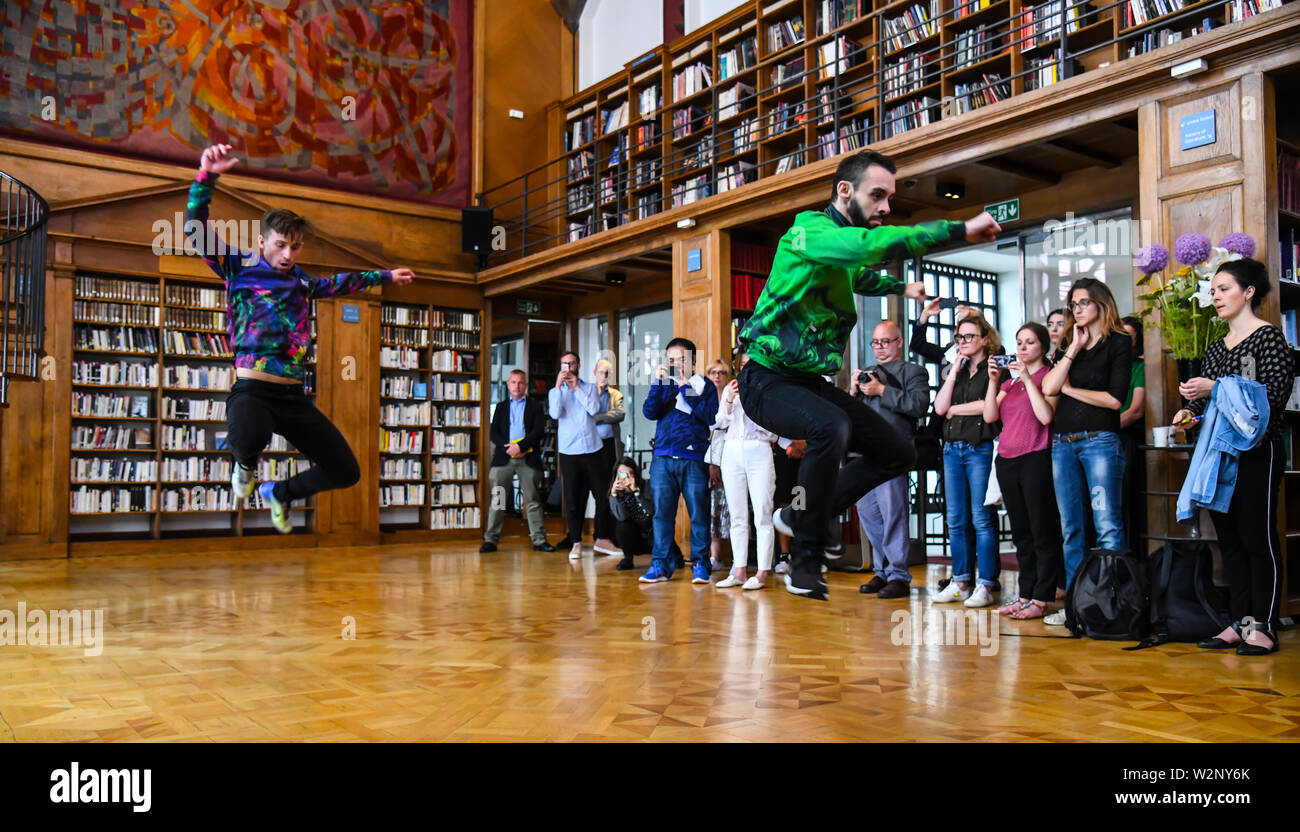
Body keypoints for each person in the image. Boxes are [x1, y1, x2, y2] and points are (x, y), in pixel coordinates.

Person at [737, 148, 1000, 600]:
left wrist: (902, 287)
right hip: (765, 378)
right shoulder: (807, 233)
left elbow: (858, 275)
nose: (885, 207)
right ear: (845, 191)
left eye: (889, 198)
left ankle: (803, 517)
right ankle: (805, 557)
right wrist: (958, 230)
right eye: (877, 195)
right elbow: (864, 249)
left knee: (898, 452)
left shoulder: (839, 255)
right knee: (831, 426)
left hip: (807, 382)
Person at [188, 144, 415, 533]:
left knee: (346, 470)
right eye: (280, 244)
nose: (288, 253)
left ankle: (281, 492)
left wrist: (386, 276)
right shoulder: (237, 268)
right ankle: (244, 466)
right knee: (249, 435)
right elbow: (196, 228)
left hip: (293, 397)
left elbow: (340, 283)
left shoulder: (302, 282)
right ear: (262, 242)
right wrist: (206, 177)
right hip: (252, 390)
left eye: (295, 246)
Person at [1175, 257, 1292, 655]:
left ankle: (1264, 625)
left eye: (1224, 288)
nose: (1216, 296)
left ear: (1248, 292)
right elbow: (1213, 410)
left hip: (1260, 452)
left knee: (1258, 538)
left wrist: (1216, 386)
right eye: (1213, 291)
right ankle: (1239, 622)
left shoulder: (1269, 338)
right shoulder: (1214, 347)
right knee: (1230, 541)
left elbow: (1271, 400)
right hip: (1220, 454)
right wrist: (1192, 415)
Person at [1041, 277, 1132, 625]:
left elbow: (1114, 400)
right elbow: (1050, 386)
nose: (1076, 310)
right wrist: (1073, 350)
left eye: (1083, 303)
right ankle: (1076, 607)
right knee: (1071, 528)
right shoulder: (1069, 342)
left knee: (1107, 523)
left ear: (1101, 304)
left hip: (1099, 441)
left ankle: (1111, 604)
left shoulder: (1118, 341)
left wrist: (1071, 389)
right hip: (1062, 444)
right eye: (1073, 304)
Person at [983, 323, 1061, 620]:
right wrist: (993, 382)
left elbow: (1045, 416)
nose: (1023, 347)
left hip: (1036, 457)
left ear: (1043, 347)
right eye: (1019, 342)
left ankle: (1042, 597)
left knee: (1042, 530)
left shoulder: (1047, 378)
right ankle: (1025, 594)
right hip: (1007, 459)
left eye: (1030, 342)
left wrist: (1029, 380)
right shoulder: (1009, 383)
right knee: (1021, 533)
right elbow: (990, 416)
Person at [851, 322, 929, 599]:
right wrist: (853, 393)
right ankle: (882, 571)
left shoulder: (914, 372)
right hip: (864, 455)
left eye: (885, 341)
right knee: (870, 515)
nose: (880, 347)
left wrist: (882, 391)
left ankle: (899, 575)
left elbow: (919, 406)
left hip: (893, 452)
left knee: (893, 513)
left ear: (899, 342)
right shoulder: (866, 375)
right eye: (875, 342)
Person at [932, 313, 1003, 607]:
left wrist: (955, 411)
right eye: (959, 337)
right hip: (951, 449)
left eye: (969, 337)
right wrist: (952, 373)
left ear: (985, 339)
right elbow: (939, 407)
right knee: (956, 519)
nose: (962, 342)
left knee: (981, 518)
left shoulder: (996, 369)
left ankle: (986, 584)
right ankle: (960, 580)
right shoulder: (955, 370)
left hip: (980, 448)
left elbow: (989, 406)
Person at [639, 337, 720, 584]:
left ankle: (700, 565)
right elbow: (649, 412)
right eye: (671, 360)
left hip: (694, 457)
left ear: (693, 360)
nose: (676, 364)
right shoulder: (664, 384)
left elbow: (710, 417)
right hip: (663, 457)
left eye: (681, 359)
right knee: (662, 515)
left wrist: (686, 388)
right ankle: (660, 566)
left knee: (699, 514)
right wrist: (657, 383)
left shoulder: (704, 385)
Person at [715, 351, 780, 590]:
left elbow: (774, 425)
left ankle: (763, 571)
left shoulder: (768, 390)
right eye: (742, 365)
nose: (746, 369)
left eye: (750, 365)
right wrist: (730, 399)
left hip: (759, 448)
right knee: (737, 515)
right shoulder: (731, 389)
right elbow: (720, 422)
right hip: (732, 450)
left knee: (763, 512)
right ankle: (739, 569)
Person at [548, 351, 617, 559]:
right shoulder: (555, 392)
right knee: (572, 500)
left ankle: (602, 538)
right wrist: (560, 388)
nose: (567, 368)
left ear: (578, 366)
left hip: (593, 450)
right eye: (564, 365)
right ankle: (576, 541)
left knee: (602, 495)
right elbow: (554, 413)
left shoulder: (589, 388)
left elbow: (594, 409)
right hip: (569, 452)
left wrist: (576, 388)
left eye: (571, 364)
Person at [481, 369, 554, 553]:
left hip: (528, 459)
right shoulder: (500, 407)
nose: (517, 386)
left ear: (525, 385)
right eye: (513, 382)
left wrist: (520, 447)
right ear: (508, 384)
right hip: (503, 459)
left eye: (520, 382)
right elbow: (493, 433)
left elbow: (538, 432)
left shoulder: (535, 406)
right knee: (497, 500)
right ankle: (490, 540)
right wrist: (509, 448)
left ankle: (539, 540)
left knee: (533, 500)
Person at [1119, 315, 1147, 556]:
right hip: (1103, 439)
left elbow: (1135, 410)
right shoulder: (1106, 367)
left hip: (1126, 437)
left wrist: (1106, 425)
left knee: (1127, 500)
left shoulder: (1139, 367)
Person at [592, 358, 625, 557]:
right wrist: (605, 414)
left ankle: (605, 537)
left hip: (609, 448)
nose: (604, 376)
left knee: (608, 492)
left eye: (608, 373)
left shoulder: (615, 394)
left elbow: (619, 414)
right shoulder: (588, 393)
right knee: (594, 492)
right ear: (595, 372)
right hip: (589, 448)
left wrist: (597, 417)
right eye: (602, 372)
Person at [705, 359, 733, 572]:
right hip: (706, 458)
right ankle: (714, 555)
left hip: (731, 455)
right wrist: (713, 463)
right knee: (712, 508)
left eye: (722, 372)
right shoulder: (702, 397)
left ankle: (734, 556)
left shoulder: (733, 396)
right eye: (713, 372)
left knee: (730, 508)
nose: (717, 376)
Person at [608, 457, 654, 571]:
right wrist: (614, 494)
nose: (626, 478)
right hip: (632, 538)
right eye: (623, 474)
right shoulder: (615, 494)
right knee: (622, 524)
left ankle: (663, 559)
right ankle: (628, 559)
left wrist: (636, 492)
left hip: (650, 536)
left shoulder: (646, 486)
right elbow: (621, 517)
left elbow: (651, 511)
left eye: (630, 474)